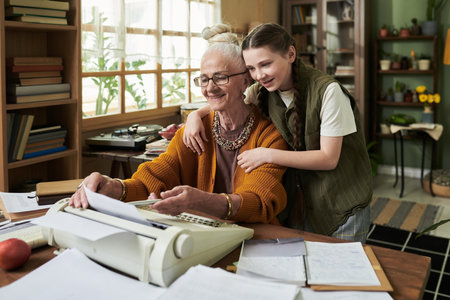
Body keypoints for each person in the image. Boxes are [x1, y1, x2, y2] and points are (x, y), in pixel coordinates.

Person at [70, 24, 289, 224]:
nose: (210, 88)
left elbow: (260, 200)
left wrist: (203, 201)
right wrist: (113, 187)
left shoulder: (270, 136)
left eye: (221, 77)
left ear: (245, 81)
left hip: (258, 240)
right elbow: (152, 179)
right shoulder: (194, 131)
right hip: (202, 241)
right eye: (204, 79)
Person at [183, 23, 373, 242]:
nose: (259, 75)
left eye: (265, 64)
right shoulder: (261, 90)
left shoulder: (329, 92)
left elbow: (328, 158)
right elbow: (227, 99)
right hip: (300, 206)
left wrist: (267, 154)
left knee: (342, 275)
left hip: (341, 206)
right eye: (252, 68)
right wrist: (194, 116)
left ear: (290, 54)